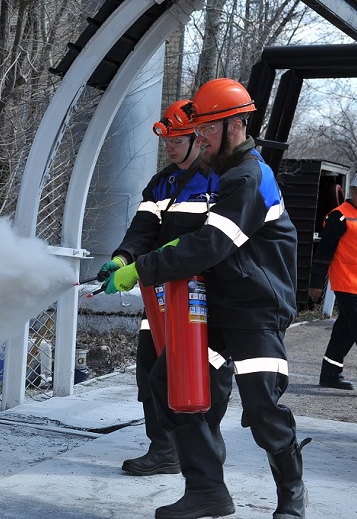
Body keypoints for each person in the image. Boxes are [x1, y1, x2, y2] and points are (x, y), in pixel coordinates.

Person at [105, 78, 307, 519]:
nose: (199, 139)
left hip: (255, 312)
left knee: (263, 410)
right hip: (214, 310)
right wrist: (132, 256)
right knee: (168, 385)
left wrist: (139, 270)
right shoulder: (215, 173)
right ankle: (208, 491)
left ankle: (292, 498)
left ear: (235, 125)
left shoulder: (251, 177)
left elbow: (210, 245)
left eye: (207, 131)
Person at [96, 100, 233, 477]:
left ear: (198, 139)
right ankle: (163, 449)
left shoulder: (221, 182)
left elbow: (213, 241)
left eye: (177, 140)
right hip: (158, 297)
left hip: (206, 299)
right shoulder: (161, 184)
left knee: (208, 373)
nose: (169, 148)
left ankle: (208, 445)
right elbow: (142, 231)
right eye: (167, 141)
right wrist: (123, 259)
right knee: (152, 371)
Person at [308, 167, 357, 390]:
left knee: (345, 331)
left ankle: (330, 374)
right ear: (352, 190)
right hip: (347, 283)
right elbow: (323, 253)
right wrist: (316, 283)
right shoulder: (339, 216)